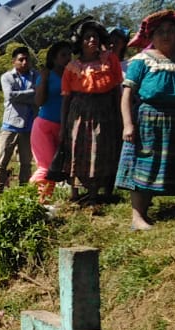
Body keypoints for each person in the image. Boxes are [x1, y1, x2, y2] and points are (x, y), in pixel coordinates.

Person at [116, 11, 175, 230]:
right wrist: (128, 124)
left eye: (171, 31)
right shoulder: (142, 61)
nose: (166, 36)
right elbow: (126, 96)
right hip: (149, 122)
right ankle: (138, 217)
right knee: (146, 165)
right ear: (152, 36)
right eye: (161, 32)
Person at [50, 19, 125, 204]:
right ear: (80, 42)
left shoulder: (110, 60)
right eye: (87, 37)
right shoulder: (72, 67)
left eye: (95, 36)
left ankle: (99, 194)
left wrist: (120, 116)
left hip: (105, 111)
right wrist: (63, 126)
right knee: (77, 150)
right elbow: (66, 98)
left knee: (103, 149)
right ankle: (75, 195)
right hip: (79, 114)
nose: (92, 40)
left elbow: (117, 89)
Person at [32, 41, 74, 203]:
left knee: (58, 167)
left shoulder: (71, 75)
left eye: (69, 54)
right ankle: (36, 199)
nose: (67, 58)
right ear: (54, 58)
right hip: (44, 126)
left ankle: (44, 200)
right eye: (63, 55)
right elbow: (39, 101)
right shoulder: (47, 75)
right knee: (47, 166)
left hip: (63, 126)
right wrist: (43, 79)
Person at [0, 47, 39, 194]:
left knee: (26, 164)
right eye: (21, 59)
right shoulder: (7, 77)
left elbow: (40, 96)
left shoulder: (36, 76)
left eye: (27, 59)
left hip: (29, 125)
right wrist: (32, 94)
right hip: (10, 125)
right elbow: (10, 96)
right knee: (2, 162)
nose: (25, 62)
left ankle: (22, 193)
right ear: (14, 62)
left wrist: (28, 96)